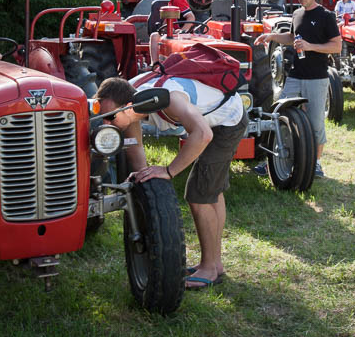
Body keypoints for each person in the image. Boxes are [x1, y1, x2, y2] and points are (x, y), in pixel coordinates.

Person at [94, 75, 247, 290]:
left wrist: (169, 171)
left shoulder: (169, 99)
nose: (106, 123)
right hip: (212, 123)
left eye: (110, 117)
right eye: (103, 117)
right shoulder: (130, 110)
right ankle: (215, 263)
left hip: (228, 120)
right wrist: (143, 180)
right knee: (210, 192)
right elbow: (136, 152)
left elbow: (203, 134)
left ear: (128, 107)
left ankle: (210, 268)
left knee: (198, 195)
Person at [254, 0, 341, 177]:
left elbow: (337, 46)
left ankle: (316, 164)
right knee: (279, 116)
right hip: (295, 76)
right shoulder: (297, 14)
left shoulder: (326, 16)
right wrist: (272, 36)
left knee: (316, 124)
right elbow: (292, 38)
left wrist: (311, 47)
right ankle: (271, 162)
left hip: (317, 78)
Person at [148, 0, 196, 65]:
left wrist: (182, 32)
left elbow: (191, 17)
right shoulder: (174, 0)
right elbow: (167, 20)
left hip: (179, 34)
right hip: (173, 31)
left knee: (154, 36)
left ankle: (155, 64)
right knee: (158, 35)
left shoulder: (178, 0)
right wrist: (163, 28)